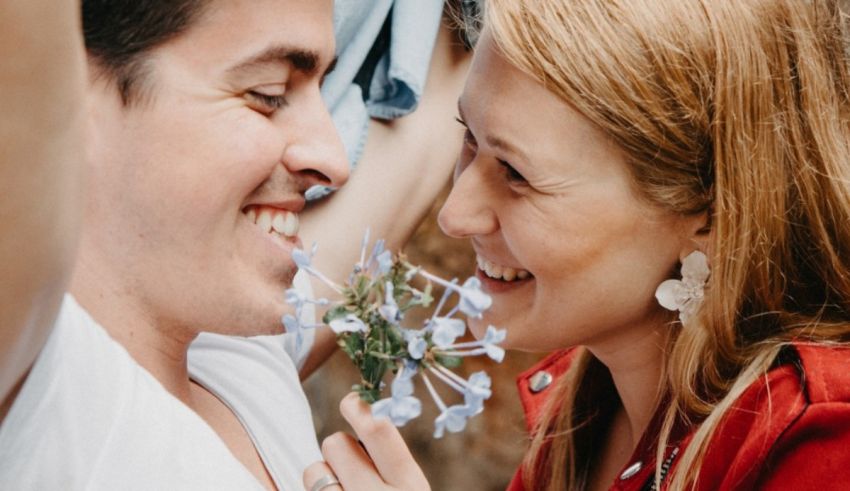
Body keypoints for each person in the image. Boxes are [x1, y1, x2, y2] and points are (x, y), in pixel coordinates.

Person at [307, 0, 850, 490]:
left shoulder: (819, 446)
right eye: (468, 138)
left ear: (712, 212)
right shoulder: (580, 417)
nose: (455, 215)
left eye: (517, 174)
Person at [0, 0, 469, 490]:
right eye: (267, 94)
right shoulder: (45, 388)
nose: (334, 157)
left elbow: (421, 135)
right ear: (70, 93)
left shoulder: (240, 355)